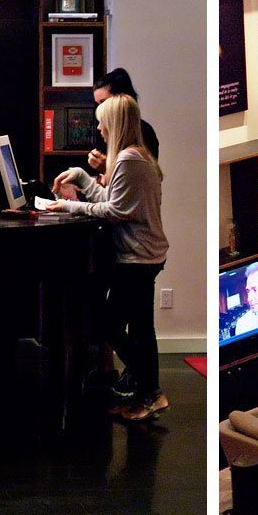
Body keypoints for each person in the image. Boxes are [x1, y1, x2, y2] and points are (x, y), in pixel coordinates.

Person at [49, 95, 168, 421]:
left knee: (105, 323)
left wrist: (67, 205)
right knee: (142, 328)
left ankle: (151, 390)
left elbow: (115, 210)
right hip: (147, 255)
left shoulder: (129, 160)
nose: (99, 129)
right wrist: (82, 176)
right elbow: (112, 197)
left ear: (114, 124)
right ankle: (148, 395)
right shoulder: (135, 156)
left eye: (102, 122)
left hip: (137, 258)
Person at [87, 68, 159, 175]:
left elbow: (138, 181)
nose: (100, 109)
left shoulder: (143, 132)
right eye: (98, 104)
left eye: (104, 102)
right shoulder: (104, 131)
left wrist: (107, 167)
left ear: (121, 100)